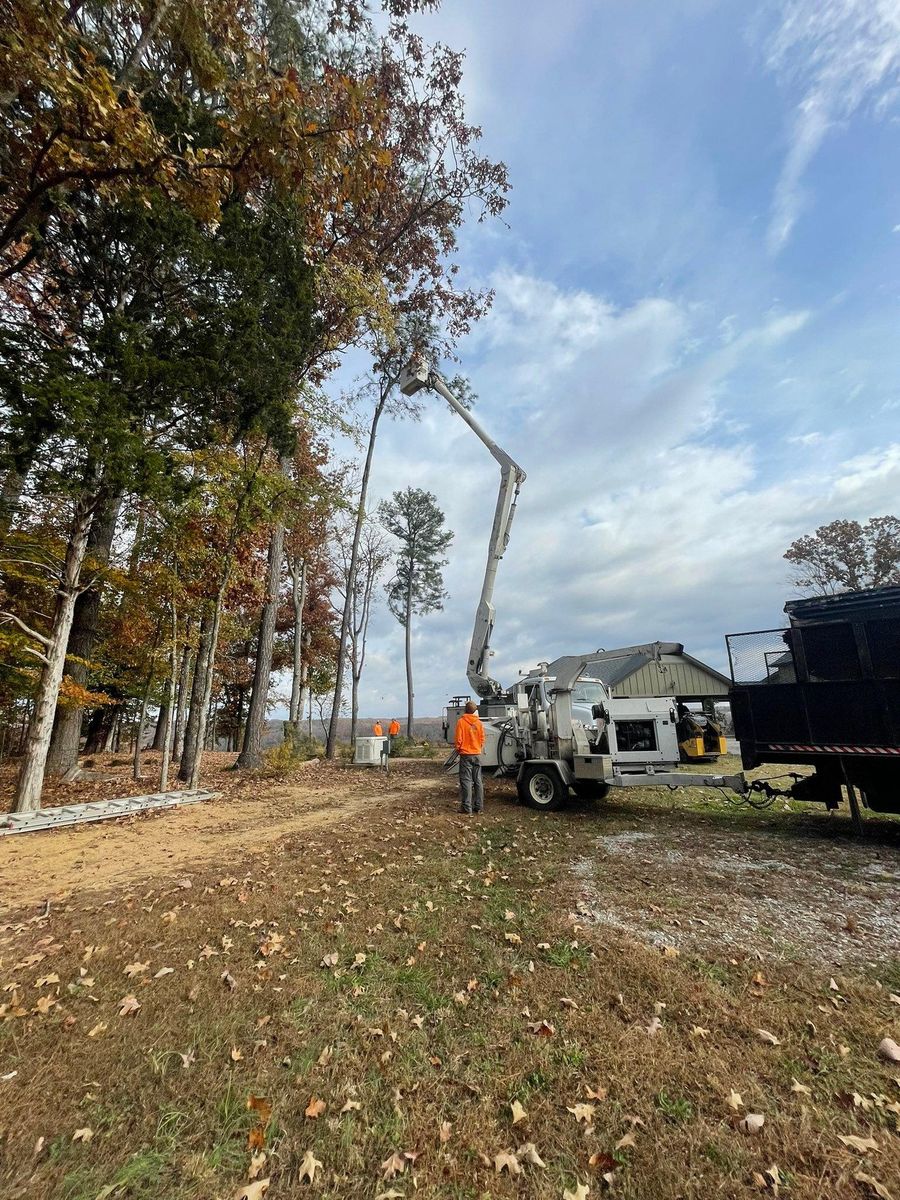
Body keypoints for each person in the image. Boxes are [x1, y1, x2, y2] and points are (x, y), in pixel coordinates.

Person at [454, 700, 485, 815]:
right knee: (478, 780)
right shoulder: (479, 723)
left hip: (466, 754)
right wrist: (478, 748)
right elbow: (482, 739)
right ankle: (479, 806)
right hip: (477, 754)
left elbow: (458, 739)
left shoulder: (461, 722)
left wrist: (459, 749)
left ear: (465, 710)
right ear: (475, 711)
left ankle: (467, 807)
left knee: (466, 780)